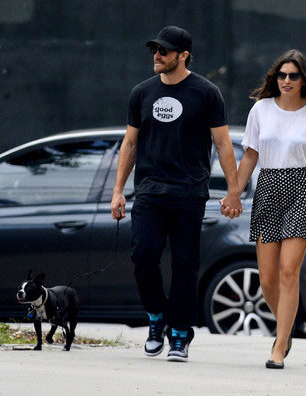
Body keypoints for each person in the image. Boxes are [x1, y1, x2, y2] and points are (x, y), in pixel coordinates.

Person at [110, 26, 242, 363]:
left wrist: (233, 190)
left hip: (188, 193)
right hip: (149, 192)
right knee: (143, 255)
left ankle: (180, 333)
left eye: (165, 51)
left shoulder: (206, 92)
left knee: (186, 266)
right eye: (155, 49)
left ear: (183, 55)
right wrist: (118, 191)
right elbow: (129, 143)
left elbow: (223, 142)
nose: (157, 55)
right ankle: (156, 317)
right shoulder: (142, 92)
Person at [234, 49, 306, 369]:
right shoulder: (261, 109)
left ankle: (278, 346)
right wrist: (233, 192)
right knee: (267, 280)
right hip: (268, 188)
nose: (286, 81)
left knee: (289, 271)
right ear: (274, 78)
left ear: (304, 80)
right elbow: (250, 155)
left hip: (301, 191)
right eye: (281, 75)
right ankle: (286, 329)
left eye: (293, 76)